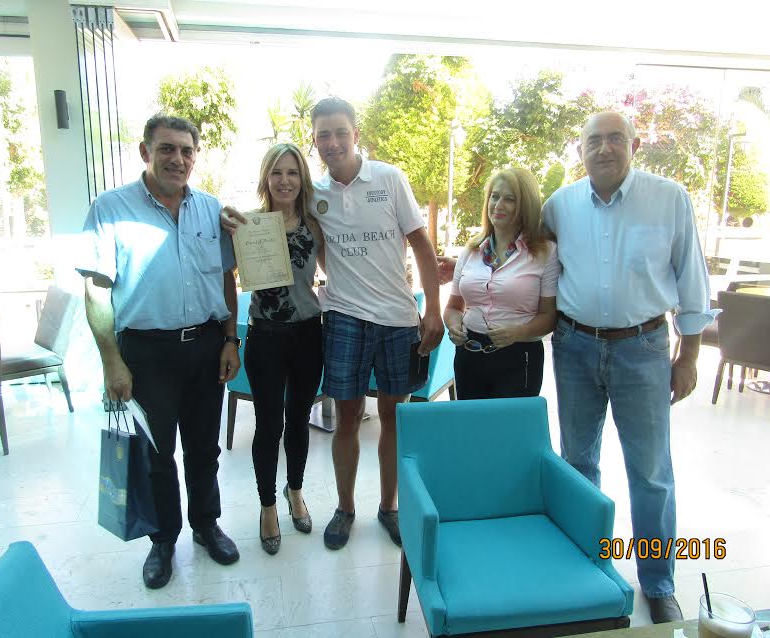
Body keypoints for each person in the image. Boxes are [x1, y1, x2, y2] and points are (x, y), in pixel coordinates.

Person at [223, 97, 443, 550]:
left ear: (355, 133)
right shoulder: (315, 195)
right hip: (342, 319)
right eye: (323, 134)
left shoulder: (389, 178)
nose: (333, 142)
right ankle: (344, 509)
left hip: (397, 319)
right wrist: (226, 215)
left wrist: (434, 310)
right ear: (315, 141)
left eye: (341, 132)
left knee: (393, 418)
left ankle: (389, 507)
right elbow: (274, 225)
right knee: (346, 419)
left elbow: (422, 245)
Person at [542, 111, 717, 624]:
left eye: (615, 138)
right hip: (574, 346)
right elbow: (529, 263)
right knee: (578, 463)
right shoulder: (560, 205)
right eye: (594, 140)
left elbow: (692, 280)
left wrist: (689, 356)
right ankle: (584, 567)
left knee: (652, 472)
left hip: (643, 349)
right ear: (580, 150)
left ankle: (658, 582)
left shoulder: (669, 199)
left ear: (635, 145)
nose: (604, 148)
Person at [77, 114, 242, 590]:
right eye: (167, 148)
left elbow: (226, 280)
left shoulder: (211, 209)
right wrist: (112, 361)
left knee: (204, 448)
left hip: (206, 345)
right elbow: (96, 290)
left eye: (187, 150)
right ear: (145, 151)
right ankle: (163, 540)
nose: (178, 158)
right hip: (146, 352)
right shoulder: (111, 208)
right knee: (156, 454)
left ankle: (206, 525)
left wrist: (230, 339)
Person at [244, 143, 324, 555]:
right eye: (277, 172)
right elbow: (226, 273)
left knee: (298, 421)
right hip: (265, 337)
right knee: (268, 425)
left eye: (292, 172)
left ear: (302, 179)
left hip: (309, 334)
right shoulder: (247, 224)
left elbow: (338, 270)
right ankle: (268, 506)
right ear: (266, 178)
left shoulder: (315, 226)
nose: (285, 180)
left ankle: (295, 491)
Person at [443, 168, 559, 399]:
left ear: (525, 206)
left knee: (510, 423)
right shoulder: (471, 250)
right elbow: (453, 307)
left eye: (509, 199)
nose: (498, 205)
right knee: (469, 420)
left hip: (519, 357)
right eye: (494, 196)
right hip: (469, 356)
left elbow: (550, 317)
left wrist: (519, 332)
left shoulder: (545, 252)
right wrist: (454, 325)